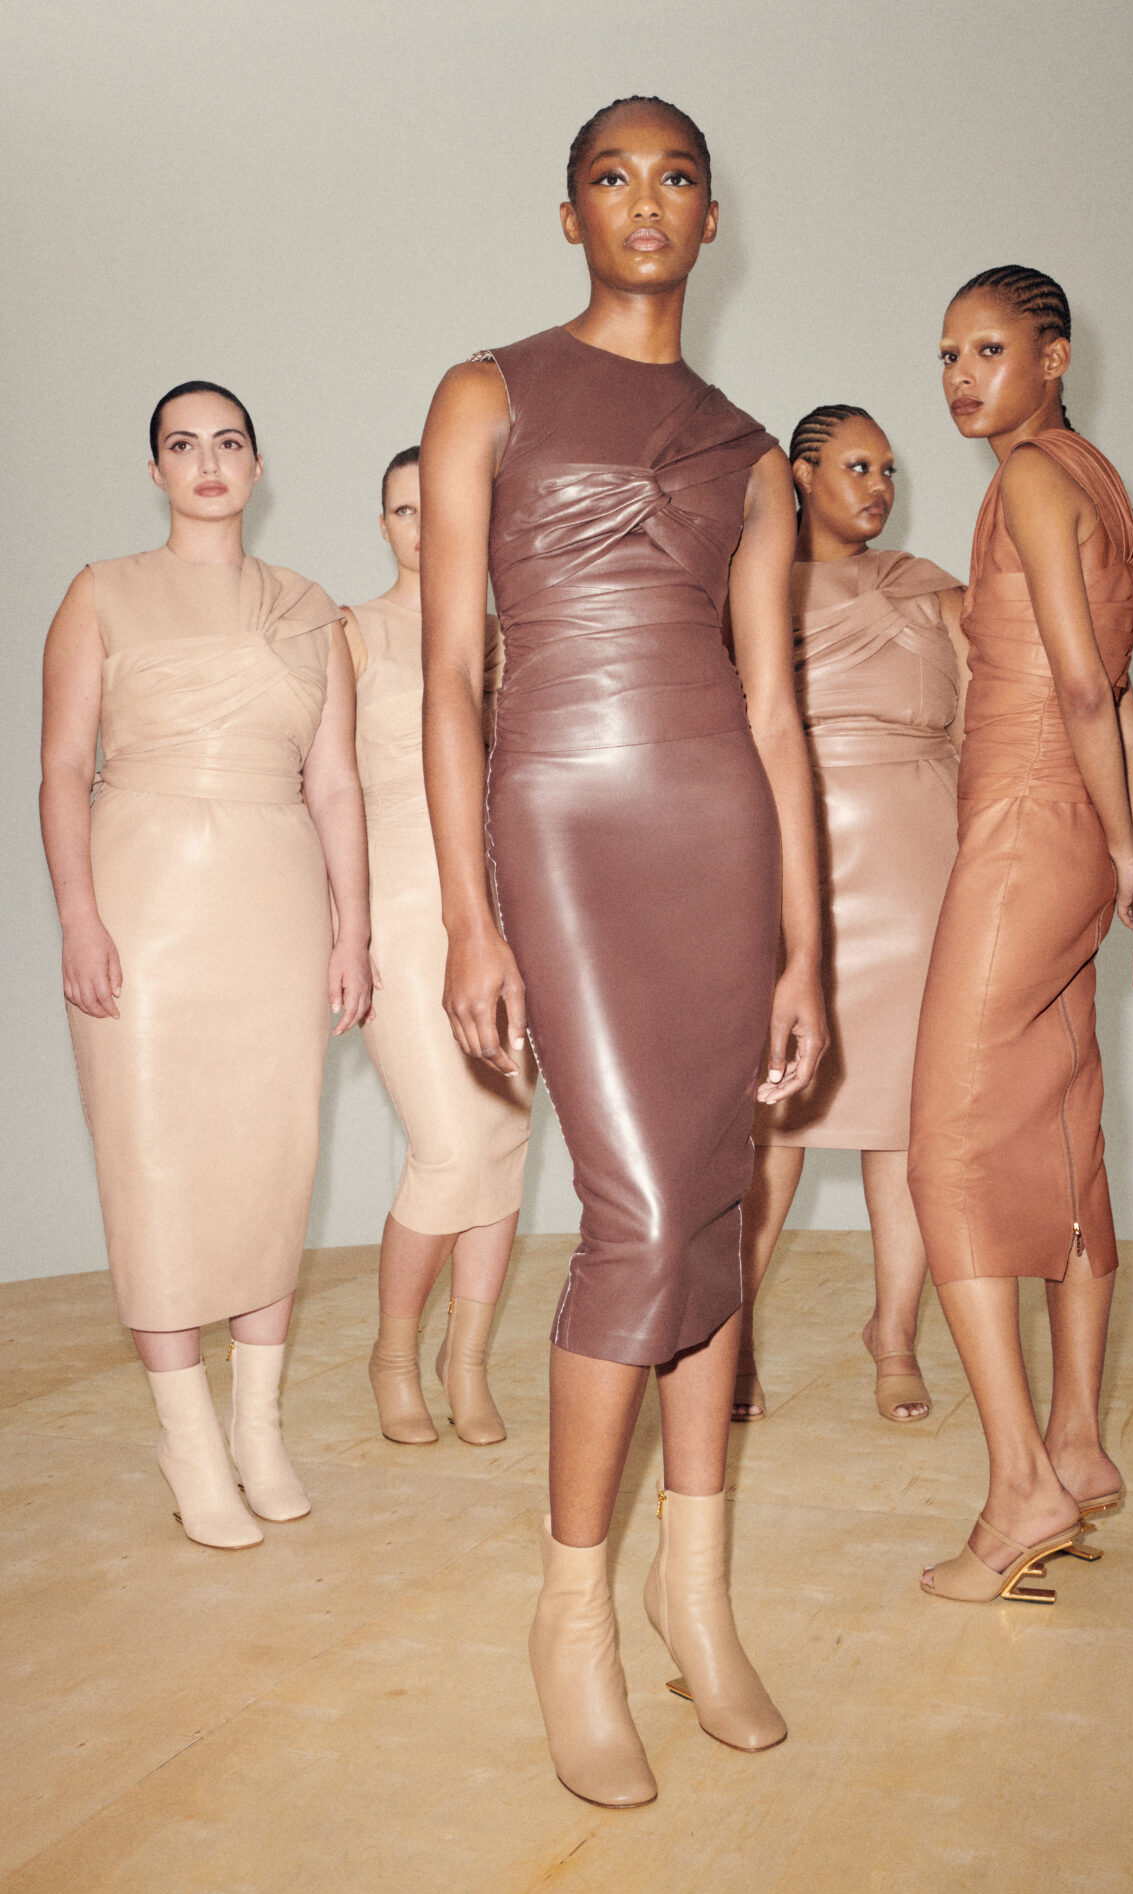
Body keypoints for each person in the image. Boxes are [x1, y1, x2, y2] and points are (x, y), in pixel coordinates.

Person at [418, 97, 826, 1805]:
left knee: (713, 1210)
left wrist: (805, 955)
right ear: (568, 212)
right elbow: (453, 673)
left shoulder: (754, 452)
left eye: (675, 178)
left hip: (718, 825)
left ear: (712, 219)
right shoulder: (487, 393)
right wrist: (466, 911)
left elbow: (776, 715)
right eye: (612, 176)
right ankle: (571, 1618)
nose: (644, 201)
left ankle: (695, 1599)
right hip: (564, 824)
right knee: (639, 1219)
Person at [40, 381, 373, 1551]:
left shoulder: (311, 610)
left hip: (274, 899)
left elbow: (335, 784)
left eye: (228, 442)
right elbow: (61, 767)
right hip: (140, 896)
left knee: (273, 1156)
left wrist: (353, 931)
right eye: (182, 446)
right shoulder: (100, 592)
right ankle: (186, 1439)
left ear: (257, 464)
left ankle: (257, 1429)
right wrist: (79, 918)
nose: (208, 462)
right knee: (154, 1164)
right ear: (156, 472)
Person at [909, 267, 1133, 1603]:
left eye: (988, 350)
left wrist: (1127, 856)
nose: (962, 377)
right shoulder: (1102, 483)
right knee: (1065, 1123)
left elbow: (1083, 687)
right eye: (947, 355)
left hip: (1027, 826)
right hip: (1075, 836)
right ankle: (1076, 1445)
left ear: (1054, 356)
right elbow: (1126, 702)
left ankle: (1019, 1489)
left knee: (947, 1145)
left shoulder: (1029, 477)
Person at [742, 405, 968, 1426]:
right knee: (774, 1117)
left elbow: (980, 729)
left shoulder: (928, 588)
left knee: (907, 1118)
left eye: (888, 470)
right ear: (801, 475)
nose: (879, 487)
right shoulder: (748, 586)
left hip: (921, 876)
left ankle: (894, 1335)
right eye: (857, 466)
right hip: (792, 874)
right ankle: (730, 1332)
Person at [343, 449, 534, 1447]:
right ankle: (391, 1352)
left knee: (502, 1141)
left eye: (441, 508)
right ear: (383, 524)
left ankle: (466, 1362)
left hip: (505, 914)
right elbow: (320, 790)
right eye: (403, 510)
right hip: (399, 912)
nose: (423, 526)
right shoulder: (351, 633)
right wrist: (341, 929)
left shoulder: (508, 641)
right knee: (449, 1148)